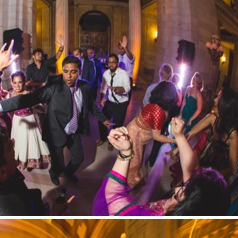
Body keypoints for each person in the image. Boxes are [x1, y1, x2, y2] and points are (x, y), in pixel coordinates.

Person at [0, 56, 112, 186]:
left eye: (73, 72)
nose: (68, 76)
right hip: (56, 131)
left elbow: (91, 105)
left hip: (73, 130)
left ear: (79, 72)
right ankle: (53, 172)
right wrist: (0, 106)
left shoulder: (84, 86)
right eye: (65, 71)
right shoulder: (54, 86)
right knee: (58, 163)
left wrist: (103, 119)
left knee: (79, 158)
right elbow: (30, 98)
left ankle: (68, 172)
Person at [94, 123, 229, 216]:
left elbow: (111, 197)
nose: (176, 188)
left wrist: (125, 153)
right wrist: (179, 136)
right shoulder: (190, 203)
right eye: (185, 185)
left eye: (179, 194)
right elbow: (192, 168)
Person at [124, 81, 179, 188]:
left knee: (137, 162)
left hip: (137, 135)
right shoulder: (158, 112)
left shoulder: (154, 104)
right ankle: (125, 192)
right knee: (133, 165)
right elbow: (157, 136)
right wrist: (175, 141)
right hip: (135, 137)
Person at [7, 70, 50, 170]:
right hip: (17, 121)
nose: (17, 85)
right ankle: (23, 161)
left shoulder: (29, 94)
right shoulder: (10, 95)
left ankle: (33, 162)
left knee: (31, 142)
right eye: (15, 82)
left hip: (29, 120)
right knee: (20, 142)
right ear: (12, 83)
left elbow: (40, 107)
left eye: (20, 82)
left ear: (24, 82)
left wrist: (36, 106)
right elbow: (7, 109)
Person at [97, 53, 132, 149]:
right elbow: (103, 88)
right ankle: (103, 138)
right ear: (107, 63)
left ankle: (112, 142)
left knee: (117, 124)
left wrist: (117, 89)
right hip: (110, 101)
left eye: (113, 62)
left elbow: (127, 88)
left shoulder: (123, 74)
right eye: (109, 62)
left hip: (121, 103)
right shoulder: (106, 74)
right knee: (102, 120)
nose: (111, 64)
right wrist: (102, 98)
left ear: (117, 63)